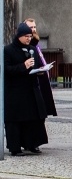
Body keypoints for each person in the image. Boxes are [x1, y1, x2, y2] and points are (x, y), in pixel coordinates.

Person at [4, 23, 49, 156]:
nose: (29, 39)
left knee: (33, 117)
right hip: (15, 91)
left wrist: (40, 70)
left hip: (31, 89)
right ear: (19, 36)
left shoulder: (32, 49)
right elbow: (7, 69)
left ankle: (32, 144)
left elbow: (37, 65)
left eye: (30, 36)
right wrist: (23, 66)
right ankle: (15, 147)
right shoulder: (8, 50)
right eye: (26, 36)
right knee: (16, 120)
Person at [23, 18, 57, 119]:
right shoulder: (28, 44)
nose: (33, 29)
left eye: (34, 27)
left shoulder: (36, 42)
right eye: (31, 27)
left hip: (42, 77)